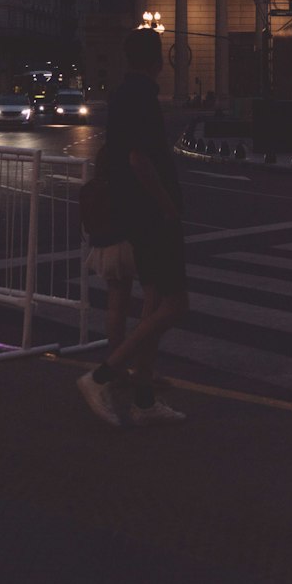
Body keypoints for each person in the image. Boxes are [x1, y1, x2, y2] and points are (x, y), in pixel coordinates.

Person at [77, 26, 189, 427]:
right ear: (158, 59)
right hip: (152, 215)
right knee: (175, 304)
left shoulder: (122, 94)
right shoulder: (142, 96)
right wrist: (167, 207)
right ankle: (101, 375)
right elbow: (140, 159)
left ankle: (143, 400)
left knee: (155, 304)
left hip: (136, 213)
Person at [79, 144, 135, 357]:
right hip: (122, 246)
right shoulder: (122, 186)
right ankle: (120, 358)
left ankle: (115, 354)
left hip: (102, 246)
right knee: (124, 304)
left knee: (115, 305)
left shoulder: (95, 184)